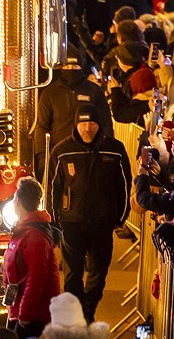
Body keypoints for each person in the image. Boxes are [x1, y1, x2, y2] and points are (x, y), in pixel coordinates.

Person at [48, 103, 131, 322]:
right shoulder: (62, 150)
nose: (88, 128)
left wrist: (120, 216)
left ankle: (88, 310)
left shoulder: (115, 149)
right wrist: (55, 220)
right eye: (83, 123)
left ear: (99, 124)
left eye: (92, 123)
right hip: (71, 221)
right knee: (73, 273)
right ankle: (75, 316)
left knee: (98, 272)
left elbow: (124, 184)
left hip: (102, 223)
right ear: (76, 124)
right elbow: (52, 187)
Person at [32, 45, 111, 179]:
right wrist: (42, 157)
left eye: (75, 67)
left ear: (82, 66)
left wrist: (107, 152)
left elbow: (106, 122)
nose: (71, 70)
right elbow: (42, 126)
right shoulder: (50, 93)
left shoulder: (94, 91)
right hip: (60, 156)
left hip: (90, 154)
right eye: (67, 67)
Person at [3, 177, 62, 339]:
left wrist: (25, 314)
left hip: (32, 312)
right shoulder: (25, 229)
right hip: (20, 306)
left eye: (15, 196)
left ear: (18, 201)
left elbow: (36, 279)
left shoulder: (34, 236)